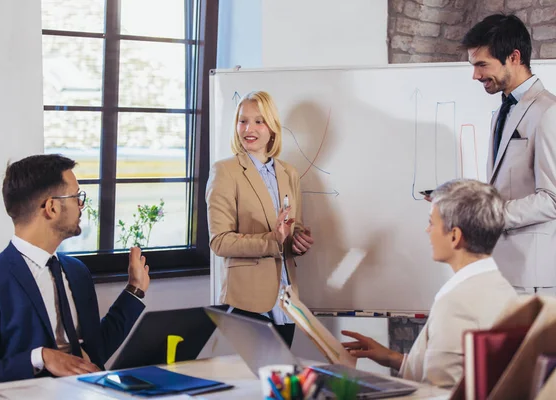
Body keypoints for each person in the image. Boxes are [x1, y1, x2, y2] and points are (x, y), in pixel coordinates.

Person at [0, 154, 149, 387]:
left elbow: (94, 353)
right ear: (52, 207)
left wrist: (134, 290)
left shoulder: (77, 272)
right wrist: (40, 357)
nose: (81, 205)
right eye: (77, 197)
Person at [342, 179, 517, 387]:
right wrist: (392, 358)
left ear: (454, 236)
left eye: (432, 223)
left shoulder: (457, 304)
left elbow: (440, 391)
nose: (427, 230)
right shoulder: (502, 289)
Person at [206, 91, 314, 347]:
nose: (248, 129)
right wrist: (273, 240)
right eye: (242, 121)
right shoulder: (225, 171)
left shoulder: (289, 173)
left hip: (286, 300)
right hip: (247, 299)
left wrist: (297, 240)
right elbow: (220, 242)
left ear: (272, 127)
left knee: (278, 378)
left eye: (258, 121)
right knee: (255, 381)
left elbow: (290, 229)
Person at [461, 14, 556, 295]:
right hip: (502, 271)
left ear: (513, 57)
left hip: (532, 276)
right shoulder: (502, 111)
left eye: (482, 65)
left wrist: (488, 214)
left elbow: (552, 199)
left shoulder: (548, 112)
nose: (475, 75)